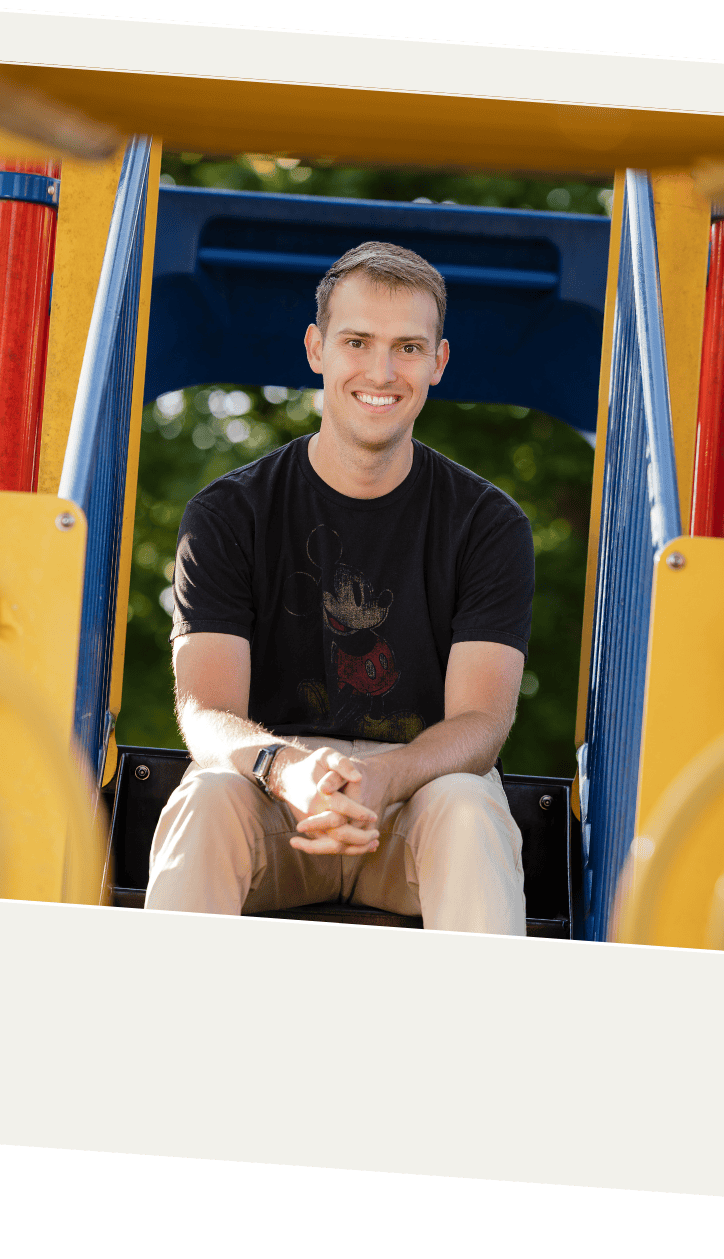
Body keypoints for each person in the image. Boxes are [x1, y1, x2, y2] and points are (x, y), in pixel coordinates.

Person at [144, 241, 535, 934]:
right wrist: (286, 769)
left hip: (417, 798)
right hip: (272, 789)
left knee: (469, 806)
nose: (381, 372)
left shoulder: (488, 524)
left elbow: (481, 722)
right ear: (316, 348)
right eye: (357, 342)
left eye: (408, 347)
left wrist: (386, 778)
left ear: (439, 361)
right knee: (207, 798)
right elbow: (206, 708)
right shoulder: (227, 514)